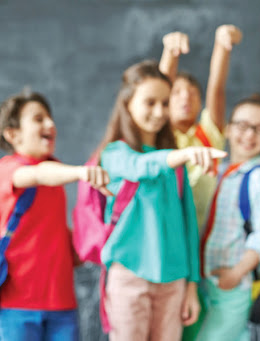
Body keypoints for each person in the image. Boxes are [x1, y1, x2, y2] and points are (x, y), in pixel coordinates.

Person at [95, 60, 226, 341]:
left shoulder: (174, 161)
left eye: (165, 103)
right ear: (128, 103)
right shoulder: (115, 154)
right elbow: (141, 166)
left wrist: (191, 284)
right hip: (129, 277)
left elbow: (189, 225)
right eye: (150, 102)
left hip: (174, 281)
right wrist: (184, 155)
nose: (159, 112)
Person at [0, 90, 110, 341]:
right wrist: (82, 172)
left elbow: (53, 231)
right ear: (12, 134)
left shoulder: (57, 175)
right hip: (16, 305)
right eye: (38, 119)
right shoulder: (9, 169)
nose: (50, 124)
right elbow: (38, 175)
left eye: (50, 118)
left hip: (62, 304)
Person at [196, 93, 260, 341]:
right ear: (228, 130)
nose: (249, 134)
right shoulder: (219, 171)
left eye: (259, 128)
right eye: (242, 125)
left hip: (233, 285)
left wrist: (235, 274)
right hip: (206, 281)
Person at [159, 24, 243, 231]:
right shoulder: (160, 134)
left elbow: (217, 87)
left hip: (202, 235)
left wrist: (223, 45)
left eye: (193, 93)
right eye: (177, 92)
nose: (186, 97)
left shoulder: (207, 133)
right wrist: (170, 53)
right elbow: (158, 89)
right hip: (164, 231)